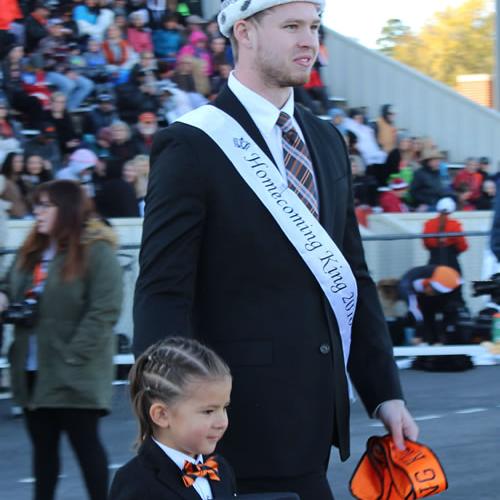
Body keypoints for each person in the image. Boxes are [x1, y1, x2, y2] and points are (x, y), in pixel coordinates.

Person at [133, 1, 418, 499]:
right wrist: (166, 419)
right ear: (244, 32)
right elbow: (163, 291)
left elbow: (351, 274)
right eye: (291, 26)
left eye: (313, 26)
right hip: (230, 430)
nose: (309, 40)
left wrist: (384, 394)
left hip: (315, 431)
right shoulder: (192, 144)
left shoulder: (327, 139)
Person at [0, 179, 123, 500]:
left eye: (45, 205)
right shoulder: (33, 249)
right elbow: (7, 282)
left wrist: (73, 355)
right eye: (36, 204)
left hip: (75, 371)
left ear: (67, 209)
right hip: (32, 369)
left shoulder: (96, 250)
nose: (36, 212)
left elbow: (104, 310)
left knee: (86, 449)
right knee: (43, 454)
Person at [109, 337, 236, 499]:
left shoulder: (221, 469)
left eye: (224, 408)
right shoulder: (136, 484)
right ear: (162, 415)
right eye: (208, 411)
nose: (222, 422)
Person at [398, 265, 462, 345]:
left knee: (432, 313)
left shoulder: (436, 290)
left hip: (424, 297)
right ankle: (422, 338)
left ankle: (435, 340)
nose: (433, 294)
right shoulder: (409, 288)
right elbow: (415, 311)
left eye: (437, 292)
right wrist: (418, 333)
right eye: (434, 291)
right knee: (418, 314)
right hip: (414, 299)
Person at [422, 197, 468, 274]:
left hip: (433, 262)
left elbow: (426, 245)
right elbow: (463, 246)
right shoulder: (455, 225)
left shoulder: (428, 224)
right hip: (451, 262)